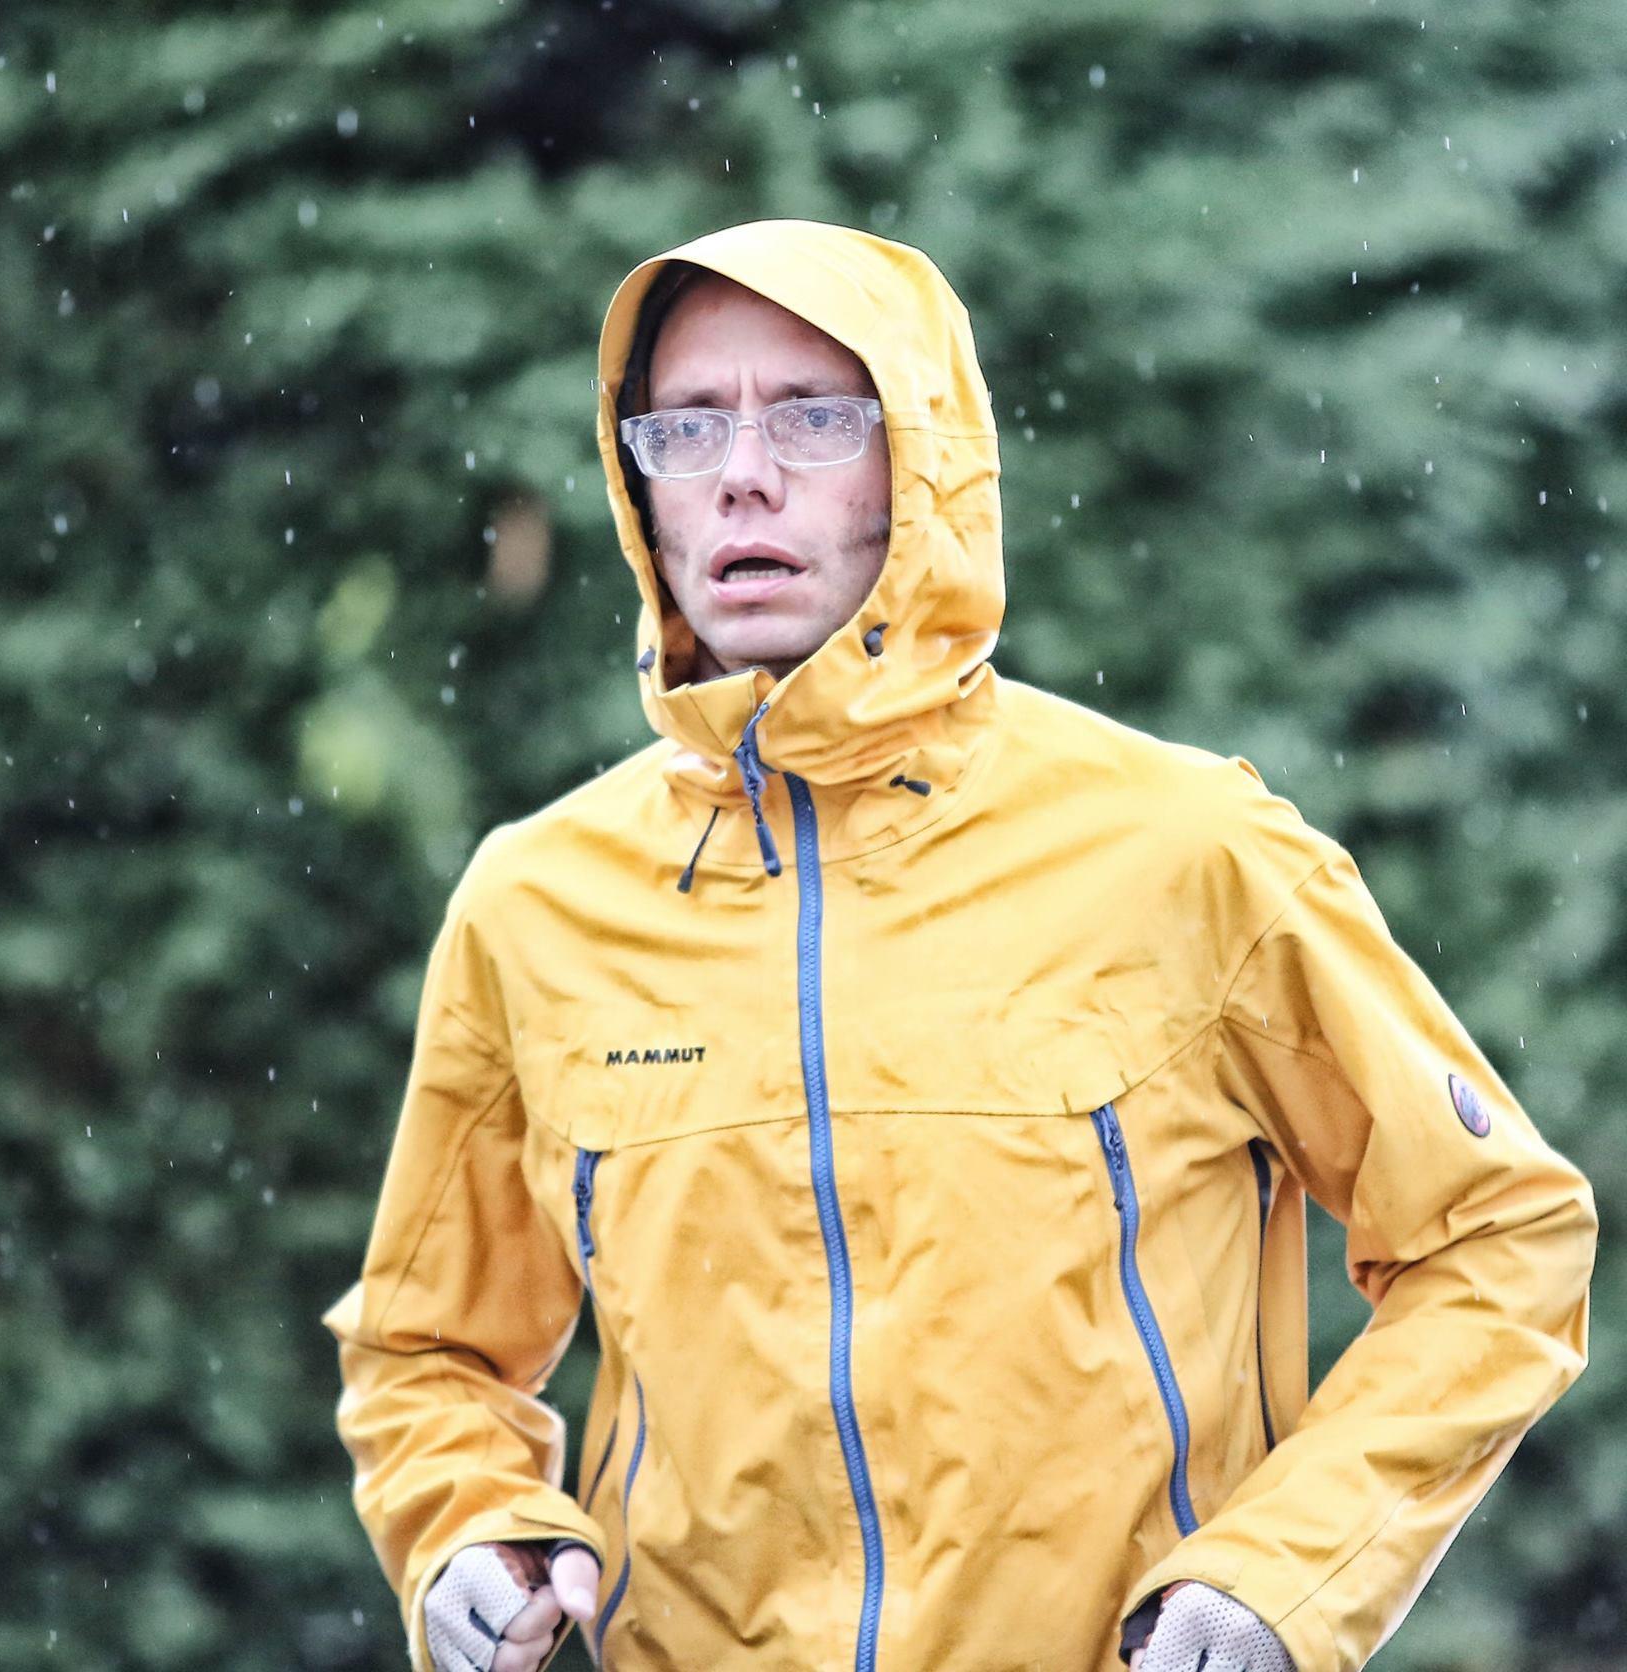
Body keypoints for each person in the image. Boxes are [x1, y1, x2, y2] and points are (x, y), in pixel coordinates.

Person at [322, 219, 1596, 1671]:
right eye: (687, 426)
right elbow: (427, 1350)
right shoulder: (533, 905)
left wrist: (1276, 1586)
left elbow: (1495, 1239)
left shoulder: (1189, 853)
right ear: (639, 487)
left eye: (814, 418)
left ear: (922, 464)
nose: (743, 473)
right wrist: (466, 1531)